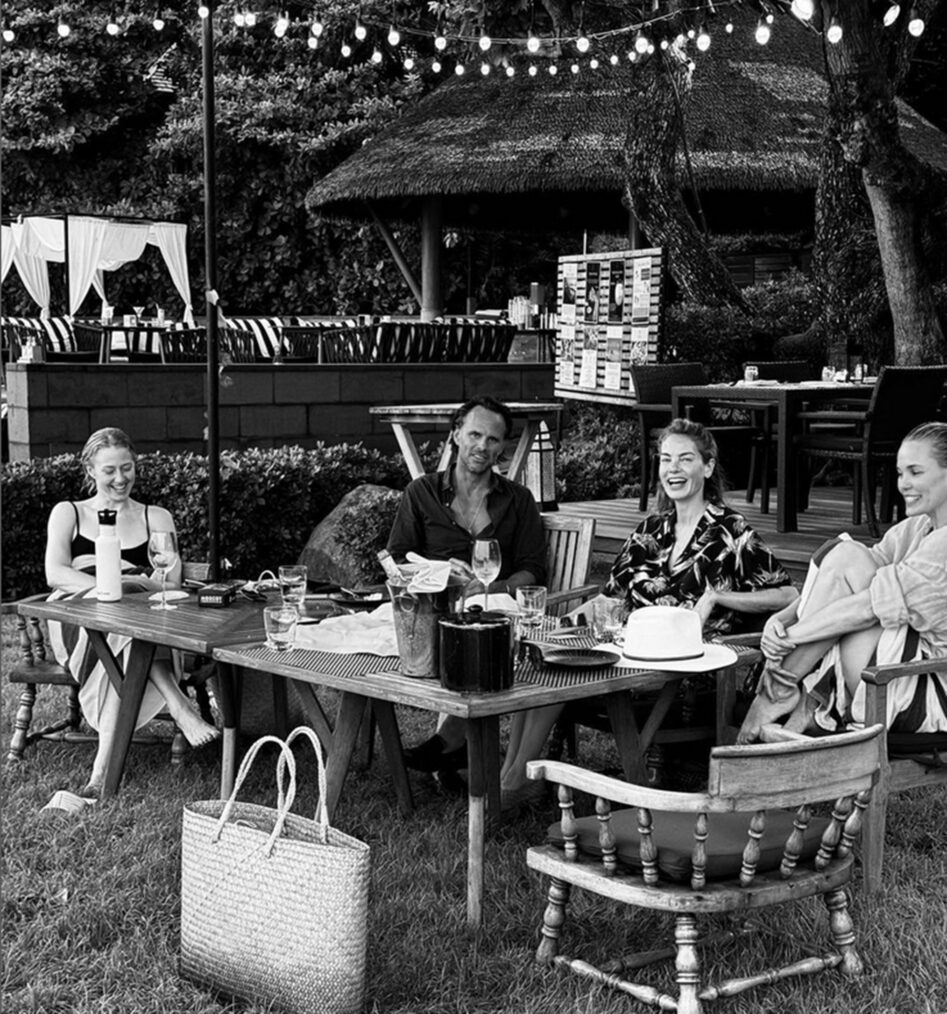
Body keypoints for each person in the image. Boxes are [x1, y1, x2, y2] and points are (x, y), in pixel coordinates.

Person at [499, 417, 798, 807]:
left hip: (684, 671)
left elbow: (789, 594)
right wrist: (566, 624)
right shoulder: (651, 530)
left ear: (707, 467)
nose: (672, 469)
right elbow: (610, 599)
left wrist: (719, 597)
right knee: (547, 658)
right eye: (665, 459)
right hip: (628, 655)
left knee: (563, 672)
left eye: (685, 459)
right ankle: (515, 775)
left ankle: (513, 784)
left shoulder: (731, 532)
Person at [738, 421, 947, 744]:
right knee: (844, 554)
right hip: (889, 673)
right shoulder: (916, 528)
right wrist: (781, 619)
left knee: (849, 559)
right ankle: (780, 691)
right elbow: (842, 578)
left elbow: (865, 607)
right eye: (900, 473)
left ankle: (775, 691)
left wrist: (789, 640)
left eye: (916, 473)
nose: (903, 484)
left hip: (926, 690)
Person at [45, 427, 219, 798]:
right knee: (122, 617)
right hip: (79, 617)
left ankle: (99, 777)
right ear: (90, 469)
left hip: (139, 618)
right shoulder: (69, 513)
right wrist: (112, 586)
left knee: (130, 625)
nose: (120, 478)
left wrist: (135, 586)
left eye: (127, 468)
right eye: (109, 470)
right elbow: (56, 573)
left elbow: (171, 585)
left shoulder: (154, 517)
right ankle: (178, 703)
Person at [387, 396, 547, 776]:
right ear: (456, 434)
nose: (482, 446)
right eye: (474, 434)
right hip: (432, 607)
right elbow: (397, 563)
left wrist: (495, 587)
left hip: (495, 605)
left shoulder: (518, 500)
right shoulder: (421, 493)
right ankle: (453, 743)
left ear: (502, 447)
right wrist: (440, 574)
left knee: (485, 633)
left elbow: (533, 570)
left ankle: (449, 742)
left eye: (493, 440)